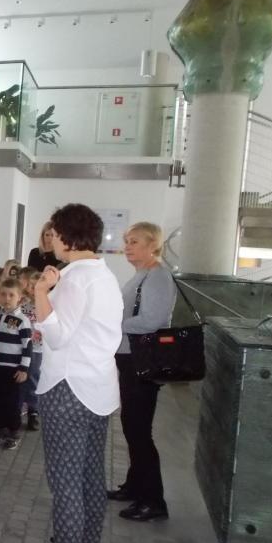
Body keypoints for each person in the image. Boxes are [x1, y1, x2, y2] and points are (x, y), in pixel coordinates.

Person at [15, 203, 123, 543]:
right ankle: (86, 542)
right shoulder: (103, 274)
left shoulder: (75, 280)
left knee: (65, 480)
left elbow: (59, 335)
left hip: (68, 388)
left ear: (68, 237)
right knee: (91, 472)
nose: (52, 239)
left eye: (55, 233)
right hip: (98, 386)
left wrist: (40, 292)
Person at [107, 222, 176, 522]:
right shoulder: (142, 274)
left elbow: (152, 320)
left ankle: (153, 500)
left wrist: (112, 325)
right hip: (129, 357)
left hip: (141, 360)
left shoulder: (158, 276)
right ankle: (135, 486)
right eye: (126, 240)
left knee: (138, 429)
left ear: (152, 245)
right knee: (131, 425)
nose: (127, 246)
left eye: (134, 241)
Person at [0, 278, 31, 450]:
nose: (7, 298)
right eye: (3, 294)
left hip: (13, 370)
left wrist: (24, 368)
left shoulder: (22, 320)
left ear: (19, 298)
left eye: (11, 295)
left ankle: (13, 432)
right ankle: (0, 430)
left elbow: (27, 346)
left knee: (12, 403)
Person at [17, 267, 42, 432]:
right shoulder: (22, 304)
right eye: (30, 286)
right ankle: (18, 407)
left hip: (38, 349)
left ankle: (33, 411)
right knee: (20, 378)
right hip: (22, 348)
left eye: (36, 286)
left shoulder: (47, 304)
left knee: (33, 378)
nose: (32, 290)